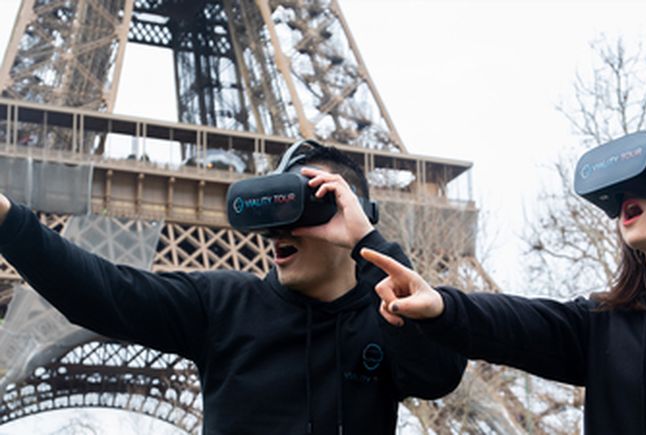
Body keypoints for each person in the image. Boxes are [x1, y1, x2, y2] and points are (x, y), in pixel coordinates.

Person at [0, 143, 466, 434]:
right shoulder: (223, 304)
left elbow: (440, 374)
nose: (279, 231)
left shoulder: (387, 318)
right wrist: (8, 221)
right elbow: (104, 293)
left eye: (304, 209)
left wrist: (371, 245)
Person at [362, 132, 646, 435]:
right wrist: (441, 305)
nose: (630, 197)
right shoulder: (603, 324)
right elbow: (515, 324)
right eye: (621, 191)